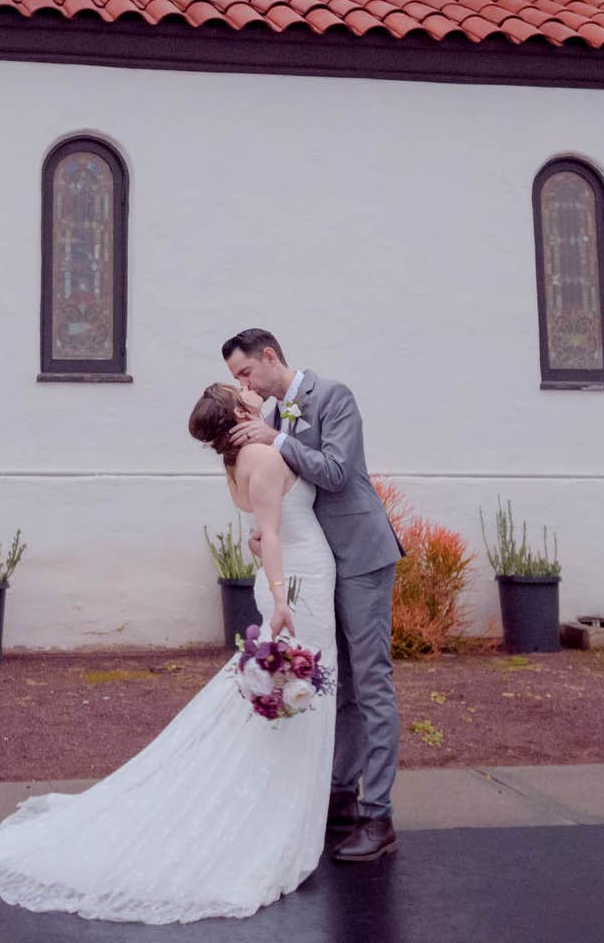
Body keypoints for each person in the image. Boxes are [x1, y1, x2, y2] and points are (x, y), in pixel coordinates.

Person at [0, 379, 342, 923]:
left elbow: (261, 526)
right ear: (238, 412)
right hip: (293, 586)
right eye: (241, 390)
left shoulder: (240, 460)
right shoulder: (264, 455)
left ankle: (279, 815)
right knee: (295, 702)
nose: (250, 390)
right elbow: (269, 534)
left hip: (287, 574)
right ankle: (267, 829)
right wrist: (278, 601)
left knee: (284, 708)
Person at [222, 327, 403, 862]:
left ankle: (380, 815)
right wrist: (266, 532)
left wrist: (274, 438)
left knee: (371, 682)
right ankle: (342, 797)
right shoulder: (273, 418)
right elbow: (288, 492)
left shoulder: (333, 397)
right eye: (237, 379)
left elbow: (338, 473)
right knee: (340, 682)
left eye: (246, 373)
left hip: (364, 557)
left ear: (270, 356)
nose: (244, 385)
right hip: (321, 566)